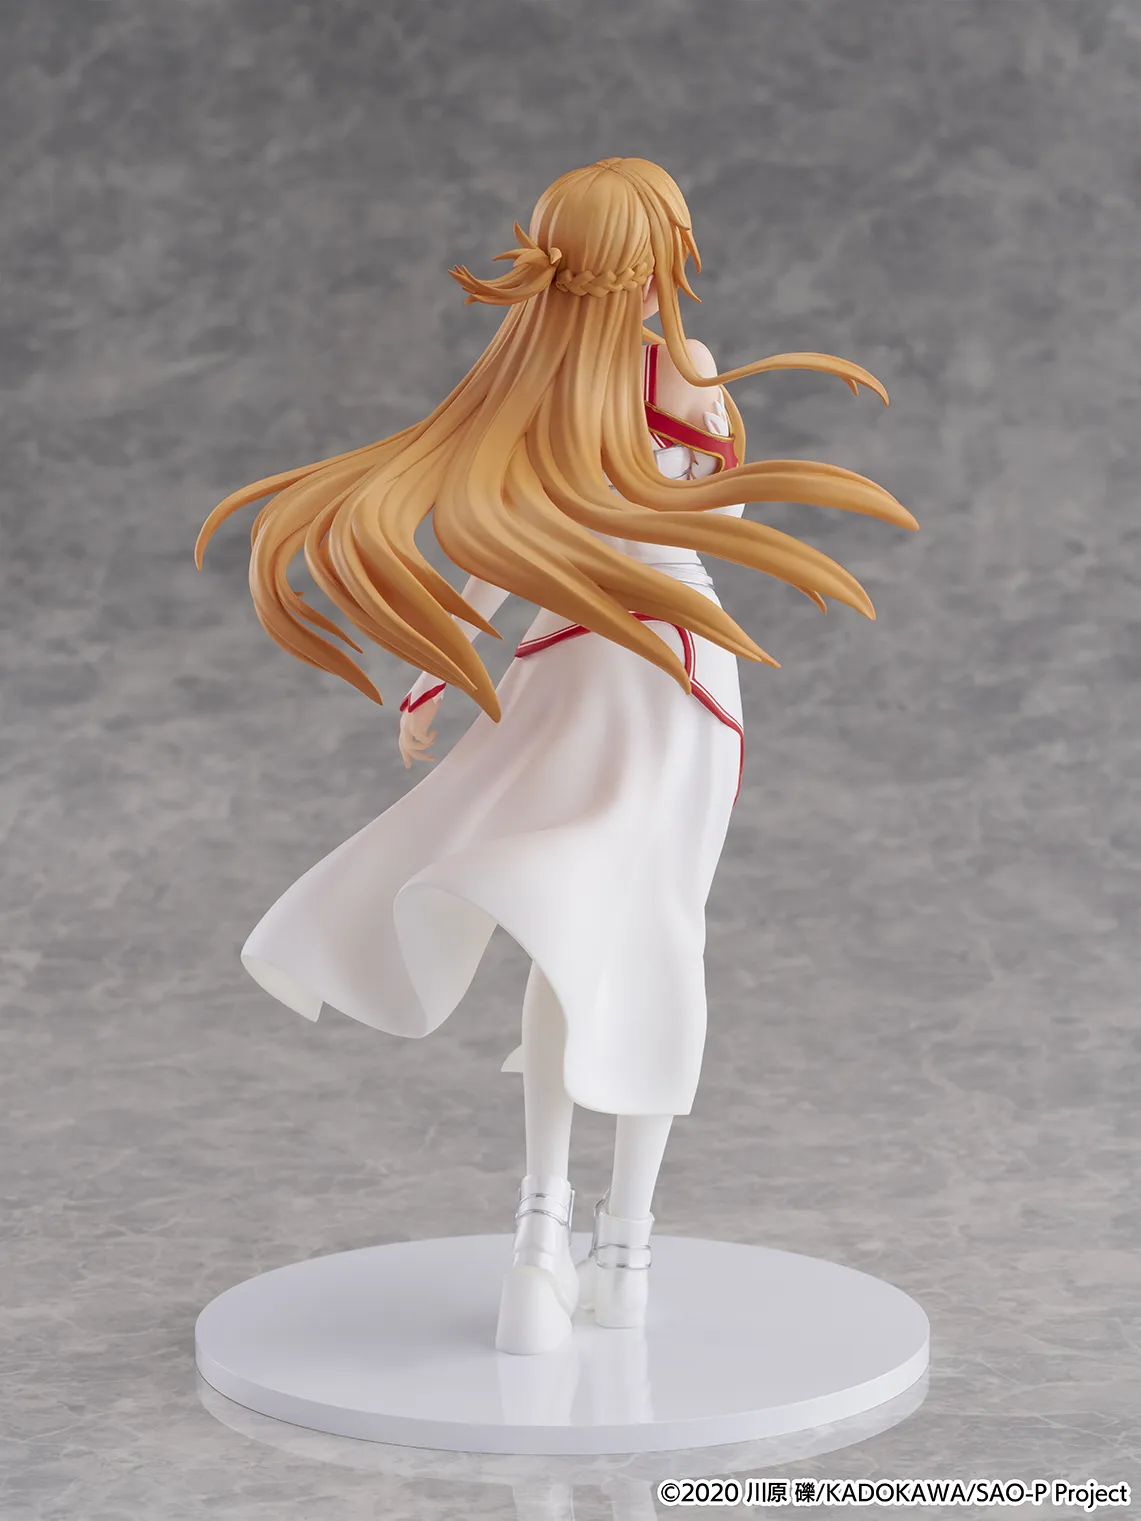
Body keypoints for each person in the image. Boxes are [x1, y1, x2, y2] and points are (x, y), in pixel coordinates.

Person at [195, 156, 916, 1356]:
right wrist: (448, 667)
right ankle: (618, 1249)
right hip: (673, 673)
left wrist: (435, 678)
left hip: (570, 666)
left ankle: (544, 1232)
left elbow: (493, 552)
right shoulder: (681, 373)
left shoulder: (538, 387)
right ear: (655, 262)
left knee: (569, 933)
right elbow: (702, 524)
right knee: (646, 934)